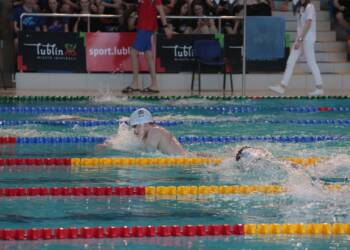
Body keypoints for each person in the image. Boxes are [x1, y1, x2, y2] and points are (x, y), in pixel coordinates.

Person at [269, 0, 324, 96]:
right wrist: (298, 39)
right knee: (290, 61)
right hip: (300, 38)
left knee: (311, 62)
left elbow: (308, 24)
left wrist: (300, 40)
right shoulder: (301, 7)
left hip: (307, 39)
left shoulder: (310, 7)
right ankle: (282, 87)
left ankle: (319, 88)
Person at [121, 0, 172, 94]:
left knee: (133, 52)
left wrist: (165, 27)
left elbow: (161, 10)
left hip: (146, 27)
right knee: (148, 56)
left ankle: (135, 84)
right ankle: (154, 85)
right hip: (143, 27)